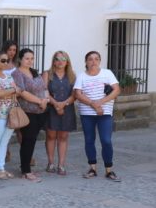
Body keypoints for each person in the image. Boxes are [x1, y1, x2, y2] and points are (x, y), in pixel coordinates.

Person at [74, 51, 121, 181]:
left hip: (105, 112)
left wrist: (100, 103)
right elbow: (78, 94)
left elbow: (116, 90)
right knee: (89, 140)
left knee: (106, 140)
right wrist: (93, 105)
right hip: (87, 113)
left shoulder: (107, 73)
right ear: (86, 62)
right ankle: (92, 168)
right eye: (90, 59)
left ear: (100, 61)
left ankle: (109, 170)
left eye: (96, 59)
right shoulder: (81, 76)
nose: (93, 62)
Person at [12, 48, 49, 183]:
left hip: (41, 111)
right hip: (28, 112)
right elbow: (21, 92)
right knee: (28, 140)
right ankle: (26, 171)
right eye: (27, 58)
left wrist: (45, 100)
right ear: (20, 59)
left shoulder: (34, 72)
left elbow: (44, 88)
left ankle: (27, 167)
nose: (30, 61)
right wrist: (40, 101)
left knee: (32, 141)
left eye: (32, 58)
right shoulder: (17, 73)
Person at [43, 50, 76, 175]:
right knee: (51, 136)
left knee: (63, 137)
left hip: (67, 109)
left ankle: (61, 164)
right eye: (57, 59)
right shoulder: (47, 74)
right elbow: (45, 91)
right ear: (54, 61)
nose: (60, 62)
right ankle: (50, 163)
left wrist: (64, 104)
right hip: (51, 108)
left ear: (67, 62)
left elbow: (75, 94)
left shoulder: (72, 75)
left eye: (63, 59)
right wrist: (56, 104)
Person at [0, 51, 20, 179]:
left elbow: (17, 92)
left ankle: (1, 166)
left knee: (5, 141)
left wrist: (13, 92)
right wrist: (13, 90)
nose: (6, 63)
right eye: (3, 60)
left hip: (10, 112)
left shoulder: (9, 76)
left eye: (7, 60)